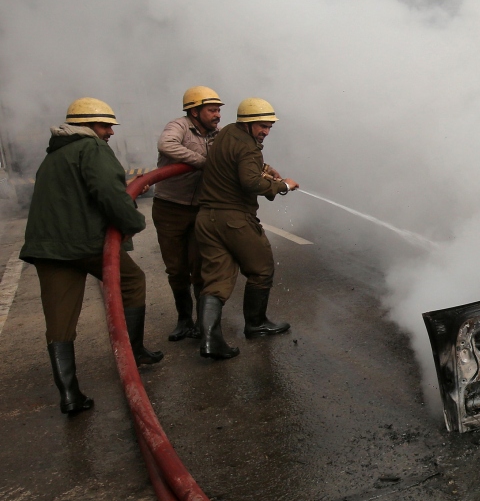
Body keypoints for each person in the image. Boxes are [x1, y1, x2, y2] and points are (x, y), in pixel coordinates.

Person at [20, 98, 161, 415]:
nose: (110, 131)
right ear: (84, 126)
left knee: (59, 321)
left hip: (48, 249)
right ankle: (135, 351)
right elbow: (110, 192)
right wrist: (132, 223)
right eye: (104, 125)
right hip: (87, 244)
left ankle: (70, 395)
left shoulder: (52, 156)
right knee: (132, 282)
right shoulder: (92, 149)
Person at [194, 97, 299, 360]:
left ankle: (210, 340)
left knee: (216, 280)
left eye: (269, 126)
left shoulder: (227, 133)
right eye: (262, 126)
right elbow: (250, 182)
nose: (266, 131)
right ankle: (256, 324)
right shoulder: (249, 147)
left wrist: (264, 169)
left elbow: (235, 165)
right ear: (248, 123)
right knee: (261, 269)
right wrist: (282, 186)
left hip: (207, 219)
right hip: (234, 219)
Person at [153, 86, 222, 342]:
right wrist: (202, 161)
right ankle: (184, 320)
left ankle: (205, 325)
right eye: (212, 110)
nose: (217, 115)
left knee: (201, 268)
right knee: (177, 268)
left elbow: (233, 155)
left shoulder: (218, 134)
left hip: (201, 209)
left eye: (218, 110)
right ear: (194, 110)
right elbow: (166, 144)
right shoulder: (179, 126)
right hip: (170, 207)